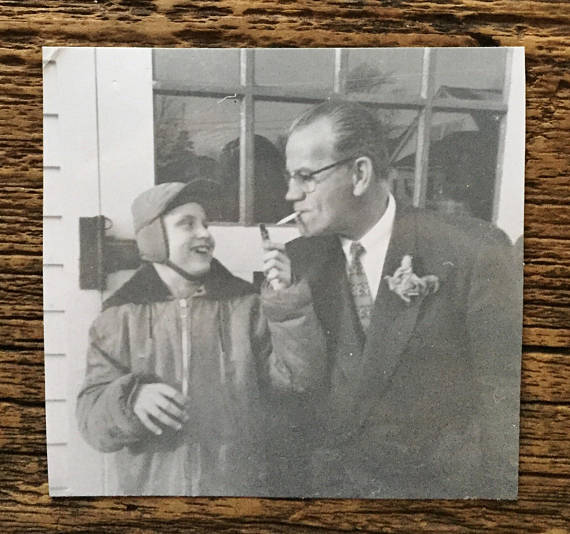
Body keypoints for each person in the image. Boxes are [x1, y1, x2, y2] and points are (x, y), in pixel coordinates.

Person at [261, 101, 522, 498]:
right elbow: (291, 403)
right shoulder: (298, 263)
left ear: (360, 173)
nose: (289, 193)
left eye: (305, 177)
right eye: (289, 177)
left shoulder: (473, 251)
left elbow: (506, 397)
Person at [76, 179, 325, 496]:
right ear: (153, 239)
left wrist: (287, 302)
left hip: (236, 492)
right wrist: (129, 400)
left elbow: (300, 380)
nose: (205, 233)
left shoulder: (246, 307)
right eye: (187, 224)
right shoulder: (117, 319)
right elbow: (92, 423)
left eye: (206, 224)